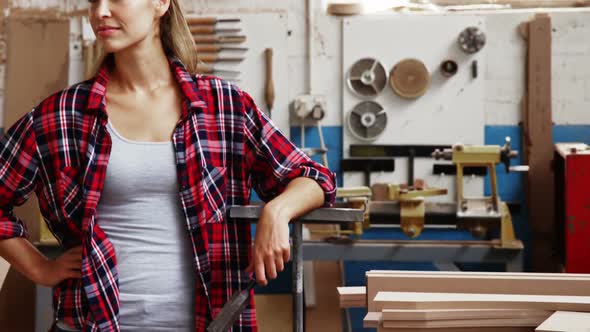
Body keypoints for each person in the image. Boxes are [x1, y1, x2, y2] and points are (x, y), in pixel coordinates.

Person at [0, 0, 336, 331]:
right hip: (94, 322)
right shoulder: (62, 115)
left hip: (212, 321)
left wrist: (277, 212)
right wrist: (41, 269)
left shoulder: (223, 106)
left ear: (161, 3)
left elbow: (313, 177)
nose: (100, 12)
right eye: (93, 1)